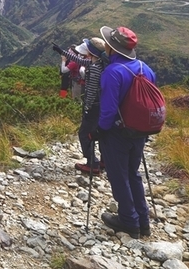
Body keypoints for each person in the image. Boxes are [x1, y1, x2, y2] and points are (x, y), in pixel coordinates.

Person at [92, 25, 156, 240]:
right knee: (133, 173)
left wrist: (99, 130)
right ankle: (143, 220)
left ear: (111, 47)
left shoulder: (113, 72)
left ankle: (128, 221)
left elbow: (108, 109)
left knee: (118, 176)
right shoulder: (144, 68)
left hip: (118, 133)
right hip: (139, 131)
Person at [53, 38, 107, 175]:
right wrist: (62, 51)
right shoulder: (97, 63)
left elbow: (92, 90)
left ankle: (92, 163)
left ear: (91, 52)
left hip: (93, 107)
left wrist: (87, 107)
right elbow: (79, 60)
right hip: (101, 106)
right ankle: (104, 160)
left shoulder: (94, 69)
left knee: (85, 134)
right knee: (100, 133)